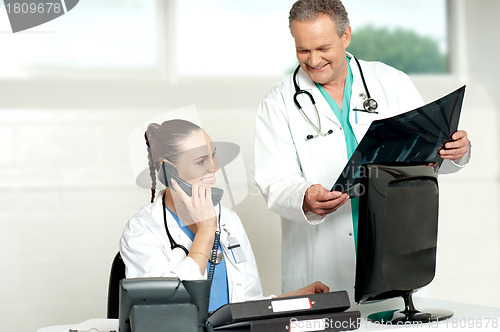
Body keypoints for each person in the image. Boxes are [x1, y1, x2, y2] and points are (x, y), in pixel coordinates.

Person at [254, 0, 471, 299]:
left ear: (346, 36)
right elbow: (273, 180)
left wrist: (455, 150)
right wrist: (304, 197)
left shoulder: (390, 82)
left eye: (323, 48)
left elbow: (425, 155)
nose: (314, 60)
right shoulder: (278, 103)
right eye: (303, 50)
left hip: (392, 241)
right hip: (322, 255)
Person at [120, 119, 329, 312]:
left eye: (213, 155)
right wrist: (206, 232)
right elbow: (168, 309)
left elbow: (244, 304)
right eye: (202, 160)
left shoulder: (228, 220)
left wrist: (293, 299)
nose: (214, 166)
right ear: (169, 171)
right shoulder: (142, 231)